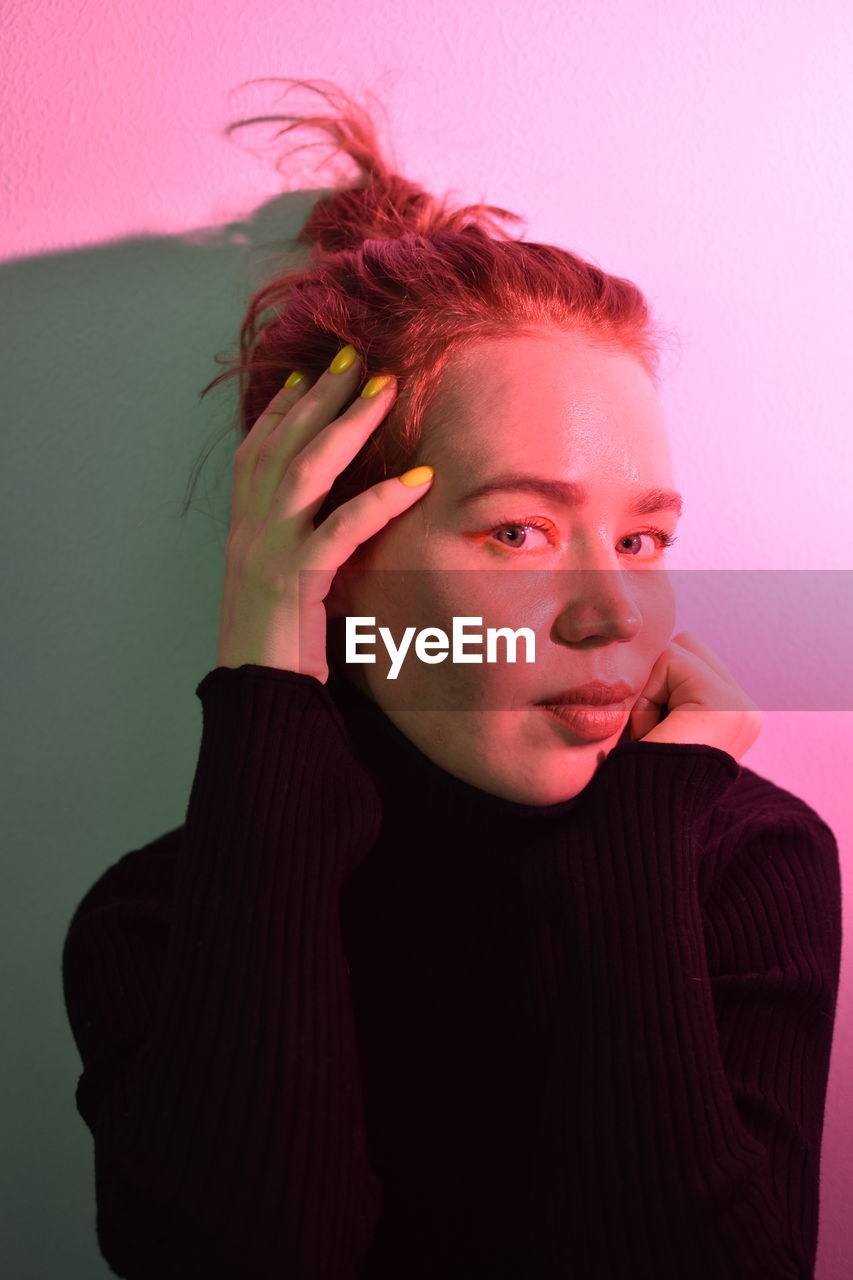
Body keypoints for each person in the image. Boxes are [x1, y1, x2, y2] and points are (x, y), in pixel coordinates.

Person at [61, 80, 842, 1279]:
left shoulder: (739, 861)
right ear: (335, 559)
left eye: (642, 541)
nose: (614, 613)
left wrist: (636, 843)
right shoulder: (160, 923)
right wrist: (268, 675)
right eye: (519, 532)